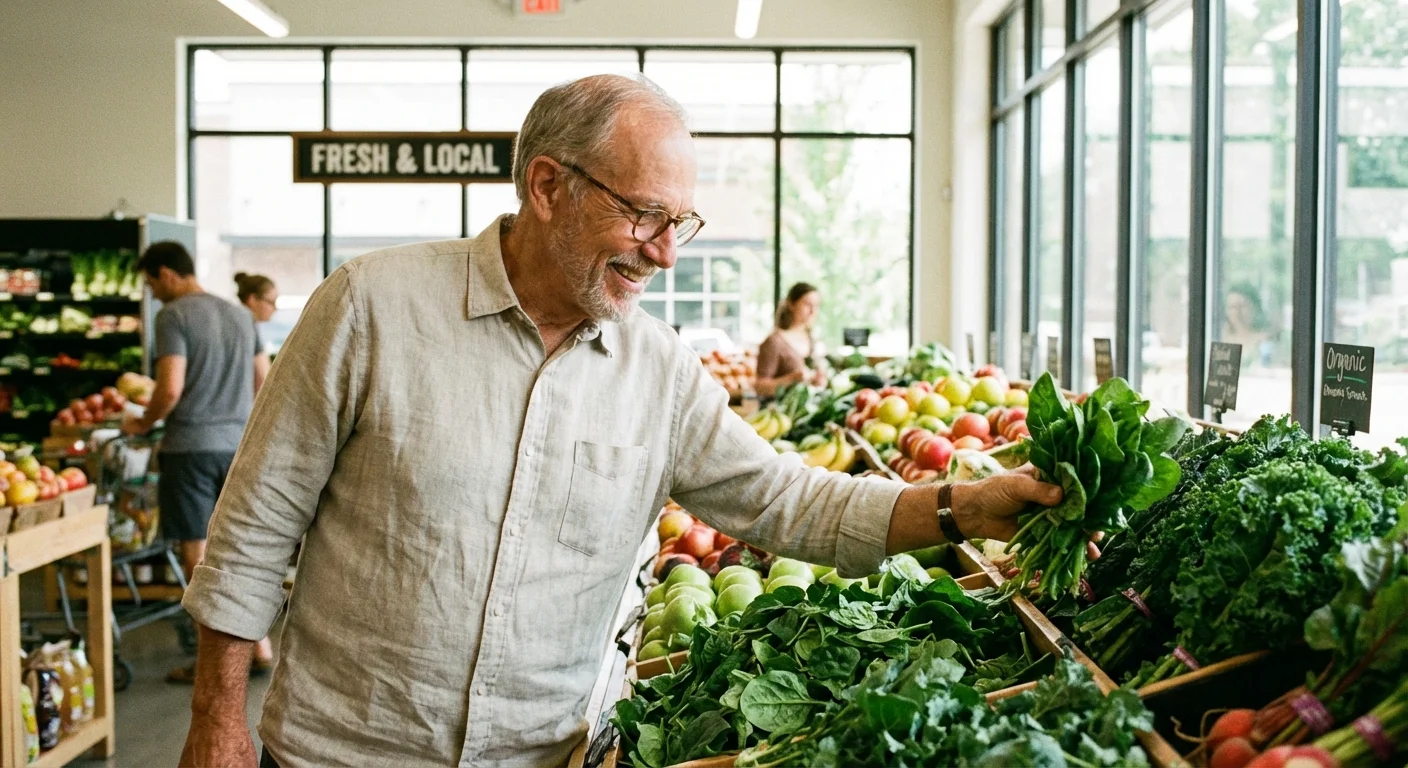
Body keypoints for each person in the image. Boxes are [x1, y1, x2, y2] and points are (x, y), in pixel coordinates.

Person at [178, 75, 1066, 768]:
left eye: (679, 220)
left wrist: (964, 506)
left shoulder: (661, 373)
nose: (666, 251)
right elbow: (254, 527)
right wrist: (219, 722)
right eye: (644, 213)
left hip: (553, 757)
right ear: (547, 185)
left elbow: (796, 505)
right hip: (344, 752)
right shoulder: (370, 308)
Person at [121, 242, 274, 682]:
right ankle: (259, 645)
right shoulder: (241, 316)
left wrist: (142, 423)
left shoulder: (173, 316)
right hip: (238, 447)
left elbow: (169, 388)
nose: (152, 293)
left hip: (189, 449)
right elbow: (264, 384)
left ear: (167, 273)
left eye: (151, 283)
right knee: (240, 549)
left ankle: (216, 663)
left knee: (197, 554)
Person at [755, 282, 828, 399]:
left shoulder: (811, 339)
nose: (813, 311)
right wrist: (791, 379)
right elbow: (760, 387)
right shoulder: (774, 342)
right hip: (777, 413)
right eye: (807, 304)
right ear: (791, 304)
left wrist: (818, 380)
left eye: (816, 305)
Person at [234, 272, 277, 382]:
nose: (275, 308)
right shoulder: (248, 327)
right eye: (271, 302)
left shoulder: (235, 324)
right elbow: (264, 378)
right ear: (252, 299)